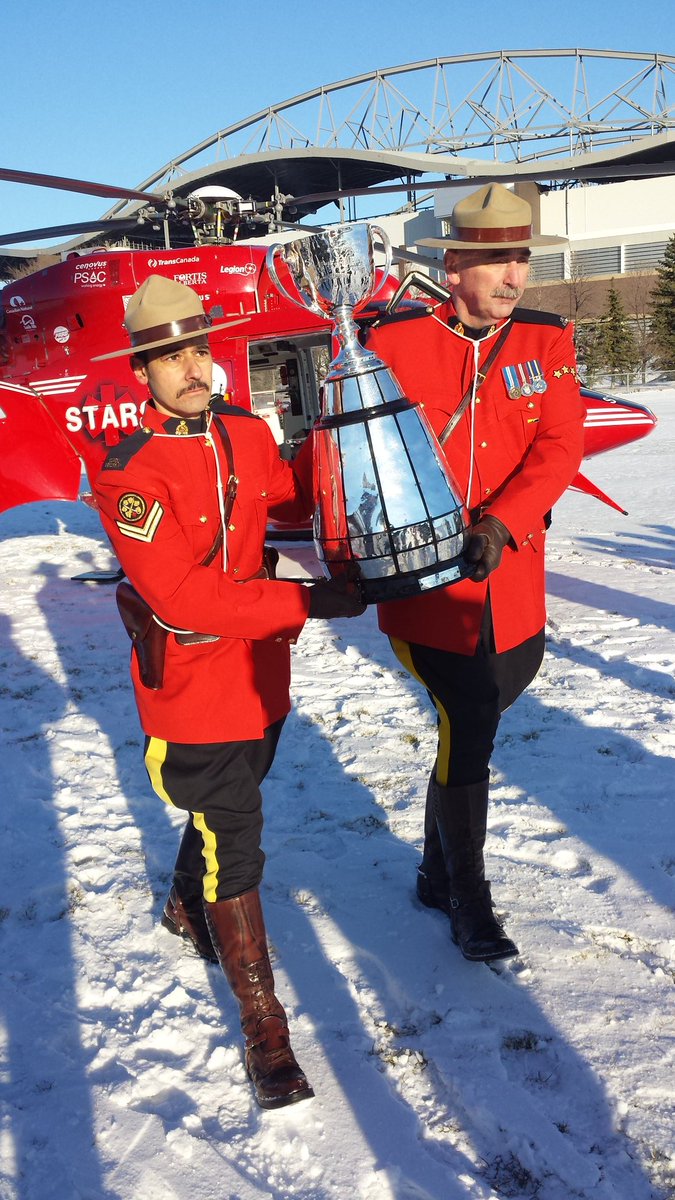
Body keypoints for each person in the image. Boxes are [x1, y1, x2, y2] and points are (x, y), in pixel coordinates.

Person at [93, 275, 364, 1109]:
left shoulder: (245, 433)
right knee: (237, 840)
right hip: (190, 691)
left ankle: (184, 904)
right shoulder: (127, 474)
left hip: (260, 678)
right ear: (142, 371)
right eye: (168, 356)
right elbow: (182, 598)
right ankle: (265, 1032)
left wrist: (345, 438)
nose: (190, 368)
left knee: (227, 812)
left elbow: (290, 495)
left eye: (198, 349)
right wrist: (306, 600)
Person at [366, 183, 586, 963]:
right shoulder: (390, 345)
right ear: (453, 265)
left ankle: (432, 871)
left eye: (521, 258)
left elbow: (559, 446)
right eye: (497, 260)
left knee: (485, 710)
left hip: (514, 584)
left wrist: (503, 521)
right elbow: (359, 458)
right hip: (431, 592)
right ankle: (467, 898)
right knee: (468, 727)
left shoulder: (543, 342)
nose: (514, 277)